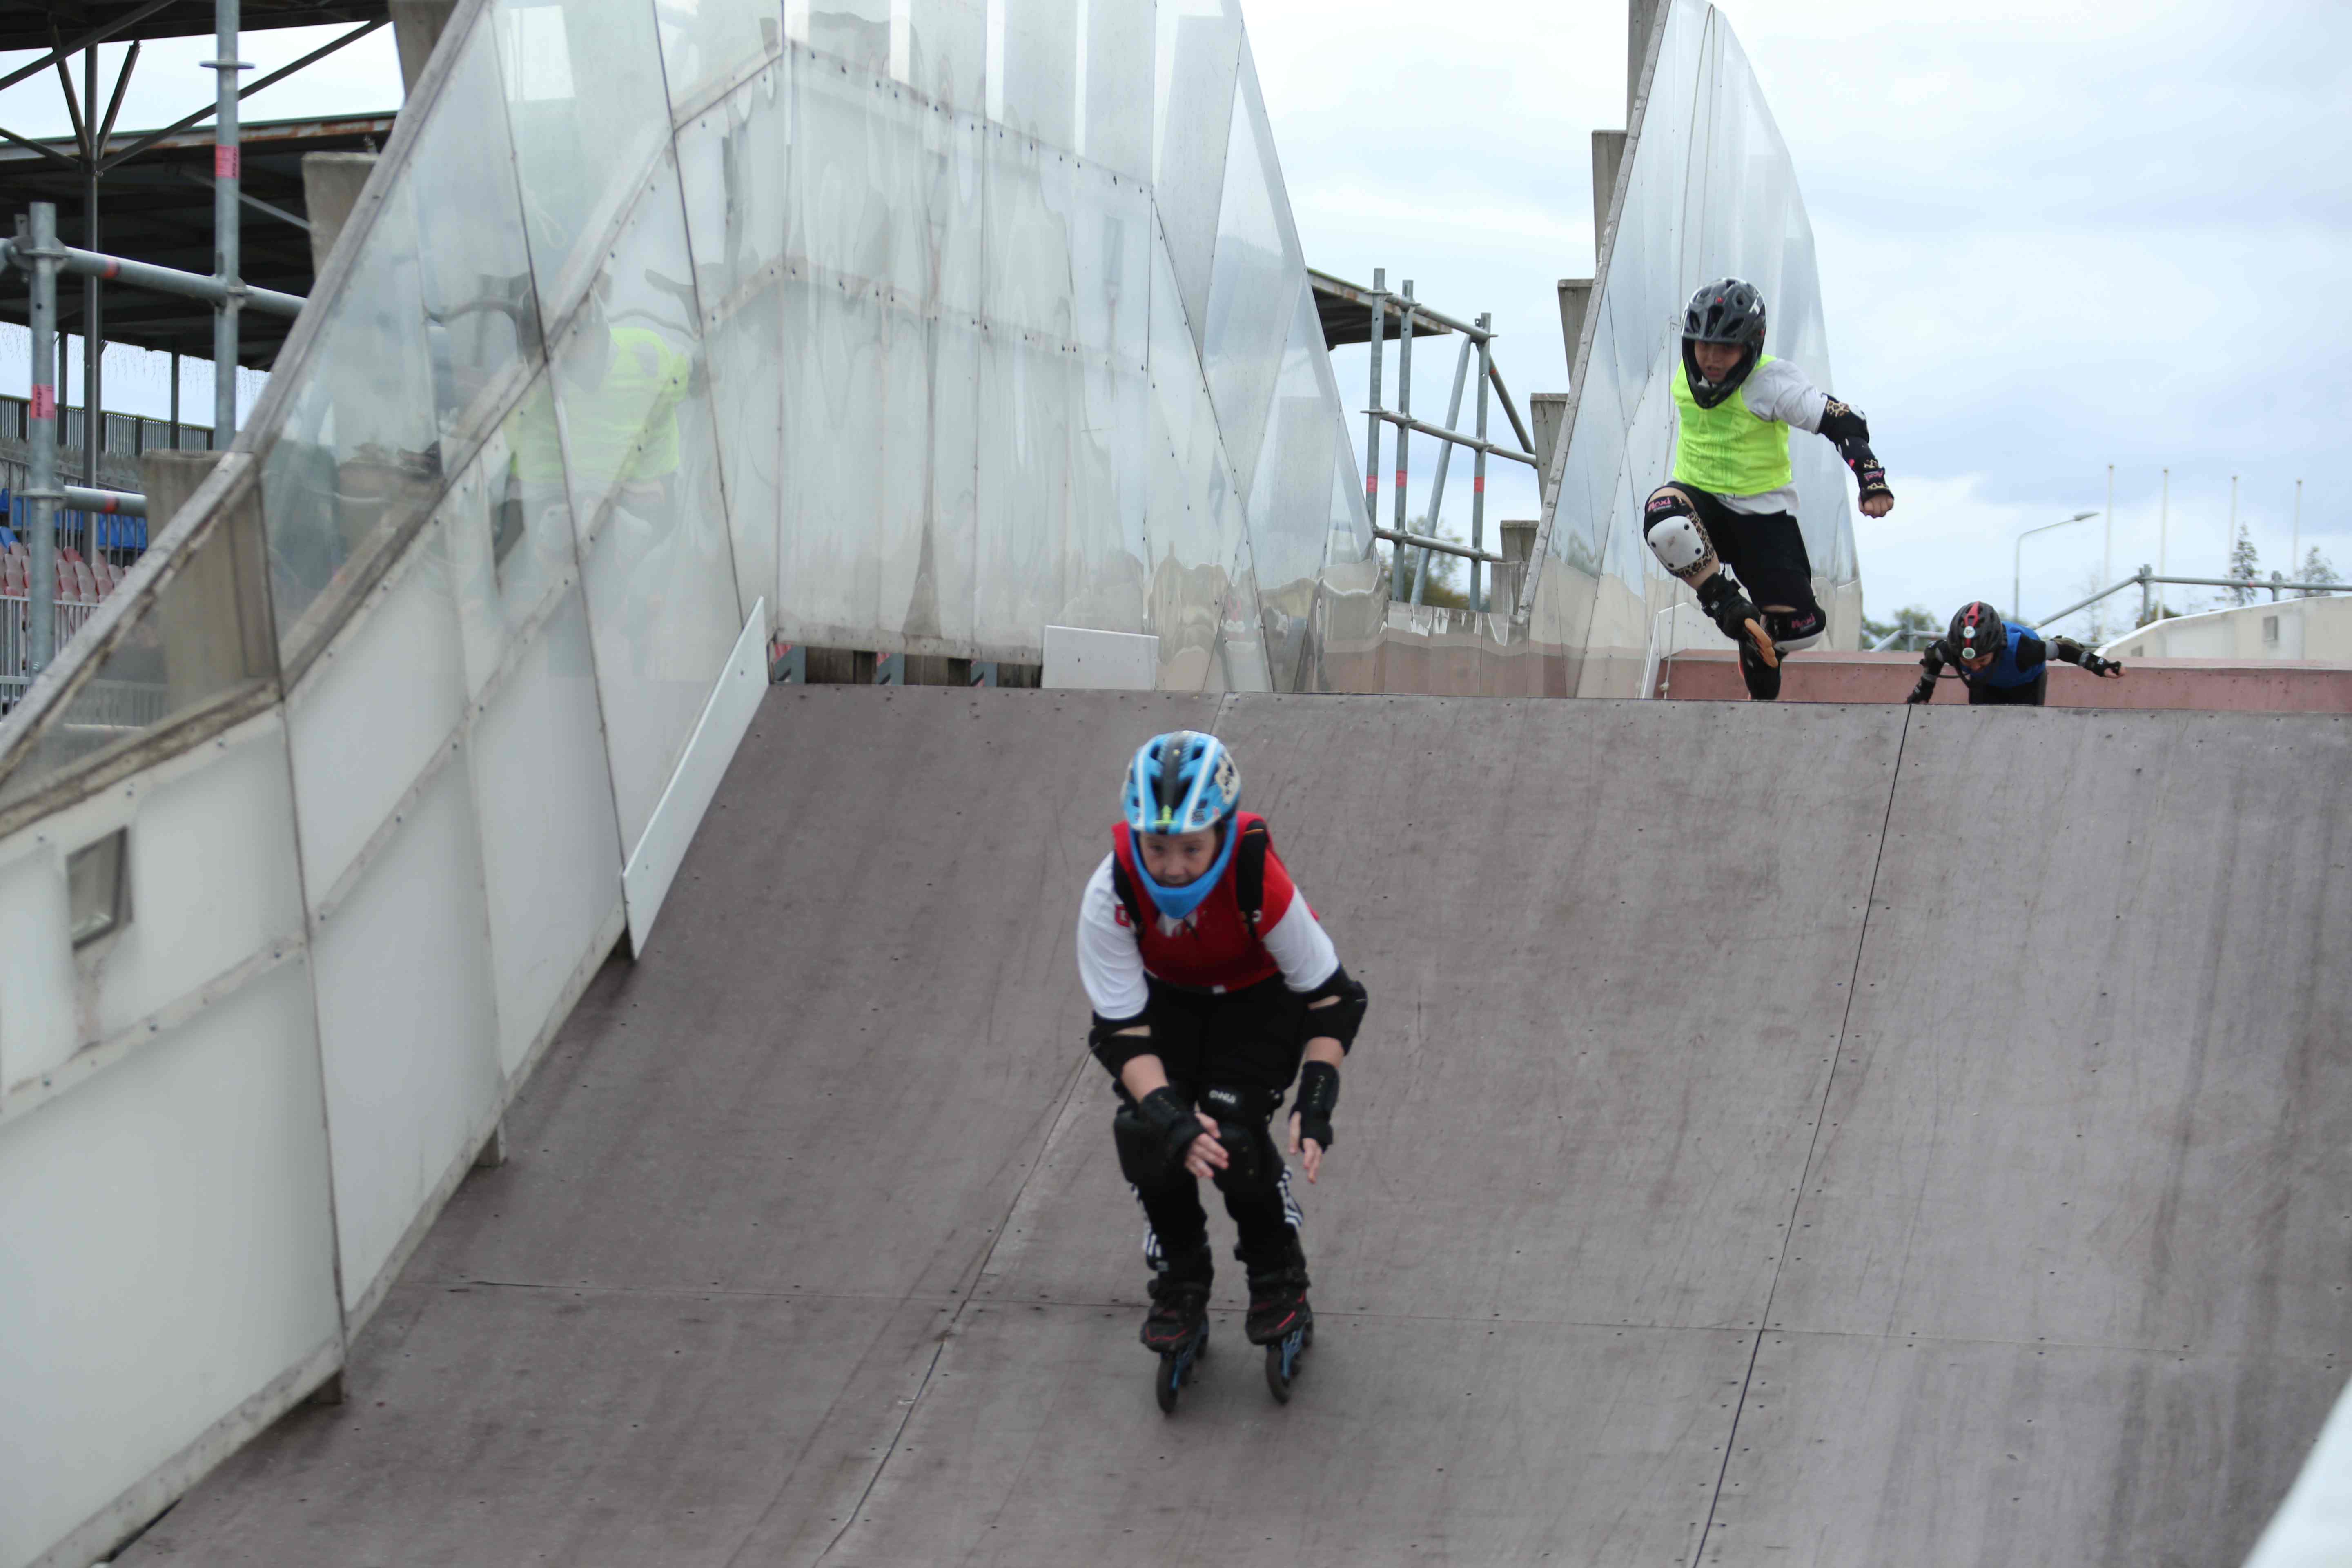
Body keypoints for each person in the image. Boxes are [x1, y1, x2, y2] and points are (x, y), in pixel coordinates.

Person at [1073, 731, 1368, 1365]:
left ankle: (1277, 1274)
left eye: (1191, 847)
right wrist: (1168, 1115)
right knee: (1149, 1132)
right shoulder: (1111, 892)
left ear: (1223, 833)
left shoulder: (1257, 878)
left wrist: (1316, 1099)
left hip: (1258, 1000)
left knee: (1233, 1137)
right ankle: (1181, 1279)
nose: (1173, 868)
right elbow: (1120, 1033)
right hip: (1169, 1000)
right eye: (1157, 847)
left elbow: (1334, 1001)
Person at [1643, 278, 1896, 700]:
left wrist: (1872, 479)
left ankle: (1759, 645)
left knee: (1803, 630)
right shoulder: (1685, 374)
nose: (1712, 360)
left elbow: (1844, 420)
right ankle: (1724, 602)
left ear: (1751, 346)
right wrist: (1722, 601)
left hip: (1761, 518)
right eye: (1704, 346)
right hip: (1701, 503)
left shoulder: (1772, 382)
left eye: (1726, 349)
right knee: (1664, 516)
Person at [1907, 600, 2124, 705]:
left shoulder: (2024, 651)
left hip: (2026, 682)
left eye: (1982, 661)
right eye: (1968, 663)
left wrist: (2100, 665)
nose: (1975, 667)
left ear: (1997, 649)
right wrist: (1924, 691)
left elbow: (2063, 647)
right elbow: (1933, 655)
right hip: (1987, 684)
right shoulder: (1953, 651)